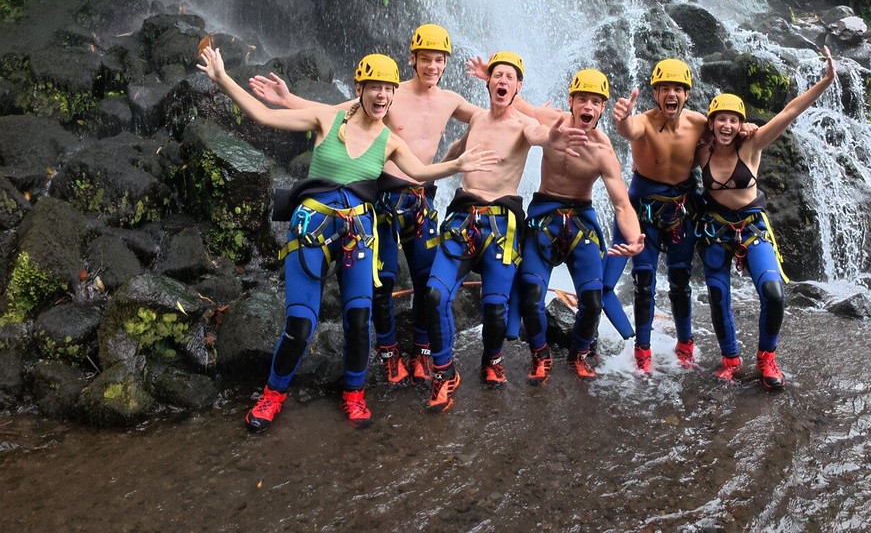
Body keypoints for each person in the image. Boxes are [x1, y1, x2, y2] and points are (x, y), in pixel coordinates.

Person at [198, 44, 496, 431]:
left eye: (388, 89)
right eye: (375, 88)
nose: (382, 96)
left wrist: (458, 163)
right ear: (360, 89)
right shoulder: (328, 118)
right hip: (311, 230)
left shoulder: (390, 141)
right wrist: (222, 78)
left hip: (358, 235)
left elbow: (420, 173)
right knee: (301, 322)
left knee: (358, 316)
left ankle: (354, 394)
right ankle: (272, 395)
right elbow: (264, 115)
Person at [250, 24, 480, 388]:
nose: (432, 66)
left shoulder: (451, 100)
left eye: (439, 60)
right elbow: (334, 111)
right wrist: (287, 99)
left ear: (446, 63)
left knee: (425, 277)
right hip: (384, 197)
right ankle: (388, 352)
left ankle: (421, 351)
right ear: (413, 59)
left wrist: (494, 82)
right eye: (425, 59)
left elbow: (494, 118)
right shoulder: (389, 92)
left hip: (422, 199)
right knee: (382, 281)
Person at [425, 51, 587, 412]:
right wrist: (431, 174)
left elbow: (540, 135)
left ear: (518, 87)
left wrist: (557, 133)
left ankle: (492, 359)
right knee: (435, 295)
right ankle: (444, 371)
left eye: (509, 77)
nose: (503, 81)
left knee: (496, 308)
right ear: (488, 82)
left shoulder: (523, 125)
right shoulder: (476, 118)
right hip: (462, 219)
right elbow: (457, 149)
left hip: (501, 225)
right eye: (497, 75)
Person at [695, 47, 835, 390]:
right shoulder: (700, 151)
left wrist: (826, 82)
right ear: (711, 123)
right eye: (721, 119)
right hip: (715, 228)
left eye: (734, 119)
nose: (727, 125)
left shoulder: (752, 144)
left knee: (773, 292)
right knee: (718, 296)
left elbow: (790, 111)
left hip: (751, 226)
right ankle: (730, 360)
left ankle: (767, 358)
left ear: (740, 124)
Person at [513, 69, 645, 384]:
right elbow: (520, 106)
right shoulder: (553, 122)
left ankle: (579, 353)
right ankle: (540, 354)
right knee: (531, 293)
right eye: (582, 99)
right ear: (571, 101)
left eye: (596, 101)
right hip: (544, 213)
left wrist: (634, 238)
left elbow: (621, 203)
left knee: (593, 299)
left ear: (602, 108)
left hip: (581, 221)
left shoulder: (603, 150)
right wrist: (492, 78)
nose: (588, 106)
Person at [607, 59, 706, 374]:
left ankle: (685, 343)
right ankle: (643, 350)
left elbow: (726, 135)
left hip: (682, 209)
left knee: (681, 280)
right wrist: (622, 118)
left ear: (686, 94)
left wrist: (744, 128)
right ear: (656, 93)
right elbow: (628, 129)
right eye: (665, 89)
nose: (671, 94)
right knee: (644, 281)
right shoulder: (644, 122)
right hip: (644, 210)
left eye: (678, 89)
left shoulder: (699, 124)